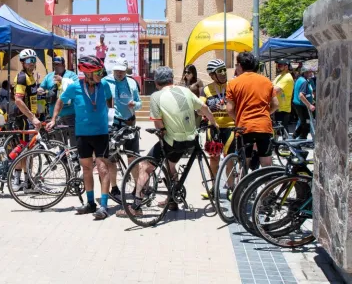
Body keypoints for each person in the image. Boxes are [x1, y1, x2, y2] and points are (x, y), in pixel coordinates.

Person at [117, 66, 218, 217]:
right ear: (171, 79)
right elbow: (203, 107)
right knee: (170, 165)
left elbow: (158, 125)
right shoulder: (185, 91)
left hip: (173, 140)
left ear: (157, 82)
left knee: (145, 167)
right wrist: (213, 123)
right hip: (190, 140)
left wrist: (162, 134)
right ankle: (172, 199)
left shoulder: (156, 96)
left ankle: (136, 207)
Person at [47, 55, 114, 220]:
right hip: (82, 134)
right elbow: (60, 102)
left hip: (101, 133)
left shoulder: (104, 85)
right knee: (86, 169)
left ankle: (104, 206)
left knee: (103, 168)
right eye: (98, 71)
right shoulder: (75, 87)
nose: (101, 74)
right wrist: (54, 118)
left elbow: (109, 101)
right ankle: (90, 203)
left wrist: (109, 117)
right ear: (88, 73)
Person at [226, 52, 279, 168]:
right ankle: (268, 185)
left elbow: (229, 109)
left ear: (240, 65)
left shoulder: (233, 83)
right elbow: (275, 104)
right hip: (264, 126)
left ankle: (245, 184)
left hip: (244, 126)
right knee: (266, 162)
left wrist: (238, 118)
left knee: (245, 161)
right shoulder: (266, 81)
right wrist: (264, 113)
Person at [104, 59, 142, 202]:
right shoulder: (105, 82)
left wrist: (135, 104)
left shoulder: (132, 83)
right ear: (112, 69)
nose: (119, 73)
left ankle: (138, 187)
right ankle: (114, 188)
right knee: (111, 158)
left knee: (133, 157)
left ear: (126, 70)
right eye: (117, 70)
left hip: (129, 122)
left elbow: (139, 103)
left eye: (122, 70)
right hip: (112, 125)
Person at [199, 59, 236, 198]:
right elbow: (200, 107)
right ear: (212, 75)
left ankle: (231, 188)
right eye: (219, 71)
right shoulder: (206, 89)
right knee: (213, 158)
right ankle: (214, 188)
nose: (223, 73)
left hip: (230, 127)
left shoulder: (232, 86)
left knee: (229, 158)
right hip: (213, 128)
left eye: (224, 70)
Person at [12, 49, 41, 191]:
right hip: (23, 118)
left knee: (28, 150)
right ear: (23, 62)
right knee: (24, 150)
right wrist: (32, 117)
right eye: (29, 61)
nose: (32, 64)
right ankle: (19, 181)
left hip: (30, 117)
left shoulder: (31, 76)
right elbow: (18, 100)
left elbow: (30, 96)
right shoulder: (22, 77)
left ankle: (26, 180)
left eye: (34, 60)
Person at [37, 56, 78, 132]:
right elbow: (42, 87)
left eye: (58, 64)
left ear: (63, 65)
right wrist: (40, 90)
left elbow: (76, 87)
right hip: (54, 115)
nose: (55, 66)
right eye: (54, 64)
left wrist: (62, 80)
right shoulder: (49, 76)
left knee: (73, 139)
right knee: (57, 139)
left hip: (69, 113)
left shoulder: (71, 75)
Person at [292, 65, 315, 140]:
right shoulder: (304, 81)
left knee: (303, 122)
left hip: (298, 105)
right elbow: (301, 95)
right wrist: (309, 105)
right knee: (306, 123)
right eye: (308, 72)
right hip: (301, 106)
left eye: (311, 72)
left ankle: (295, 136)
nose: (310, 74)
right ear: (304, 73)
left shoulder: (299, 79)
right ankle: (302, 139)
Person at [273, 59, 294, 130]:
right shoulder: (280, 76)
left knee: (283, 131)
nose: (278, 67)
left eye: (280, 65)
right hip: (277, 107)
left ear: (286, 66)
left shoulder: (287, 77)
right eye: (277, 65)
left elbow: (274, 90)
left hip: (283, 109)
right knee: (279, 131)